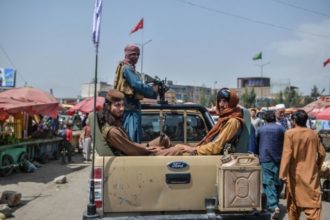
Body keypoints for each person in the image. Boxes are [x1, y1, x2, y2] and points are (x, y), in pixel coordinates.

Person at [96, 89, 182, 156]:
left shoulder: (114, 123)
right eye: (117, 105)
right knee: (175, 151)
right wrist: (150, 149)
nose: (121, 109)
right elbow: (131, 150)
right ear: (108, 106)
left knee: (163, 139)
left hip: (137, 152)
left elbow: (131, 145)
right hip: (135, 157)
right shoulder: (112, 132)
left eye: (122, 105)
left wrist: (148, 147)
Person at [279, 110, 326, 220]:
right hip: (311, 176)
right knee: (313, 206)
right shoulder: (313, 134)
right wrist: (317, 166)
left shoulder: (289, 133)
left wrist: (282, 174)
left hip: (295, 175)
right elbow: (322, 153)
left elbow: (287, 155)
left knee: (293, 206)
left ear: (294, 121)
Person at [175, 88, 244, 155]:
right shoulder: (225, 118)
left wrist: (193, 149)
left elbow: (216, 147)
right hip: (210, 153)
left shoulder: (233, 122)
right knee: (177, 148)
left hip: (216, 157)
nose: (220, 105)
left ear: (232, 102)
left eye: (224, 101)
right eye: (219, 101)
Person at [114, 44, 159, 143]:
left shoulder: (129, 68)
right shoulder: (127, 68)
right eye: (134, 54)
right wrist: (152, 90)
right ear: (128, 55)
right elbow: (136, 84)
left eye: (138, 54)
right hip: (130, 108)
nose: (137, 57)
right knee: (131, 138)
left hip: (131, 107)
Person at [256, 110, 285, 219]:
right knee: (278, 181)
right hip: (279, 158)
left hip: (265, 158)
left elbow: (256, 142)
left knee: (268, 182)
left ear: (265, 119)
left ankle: (273, 206)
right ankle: (275, 201)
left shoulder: (260, 129)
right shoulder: (281, 129)